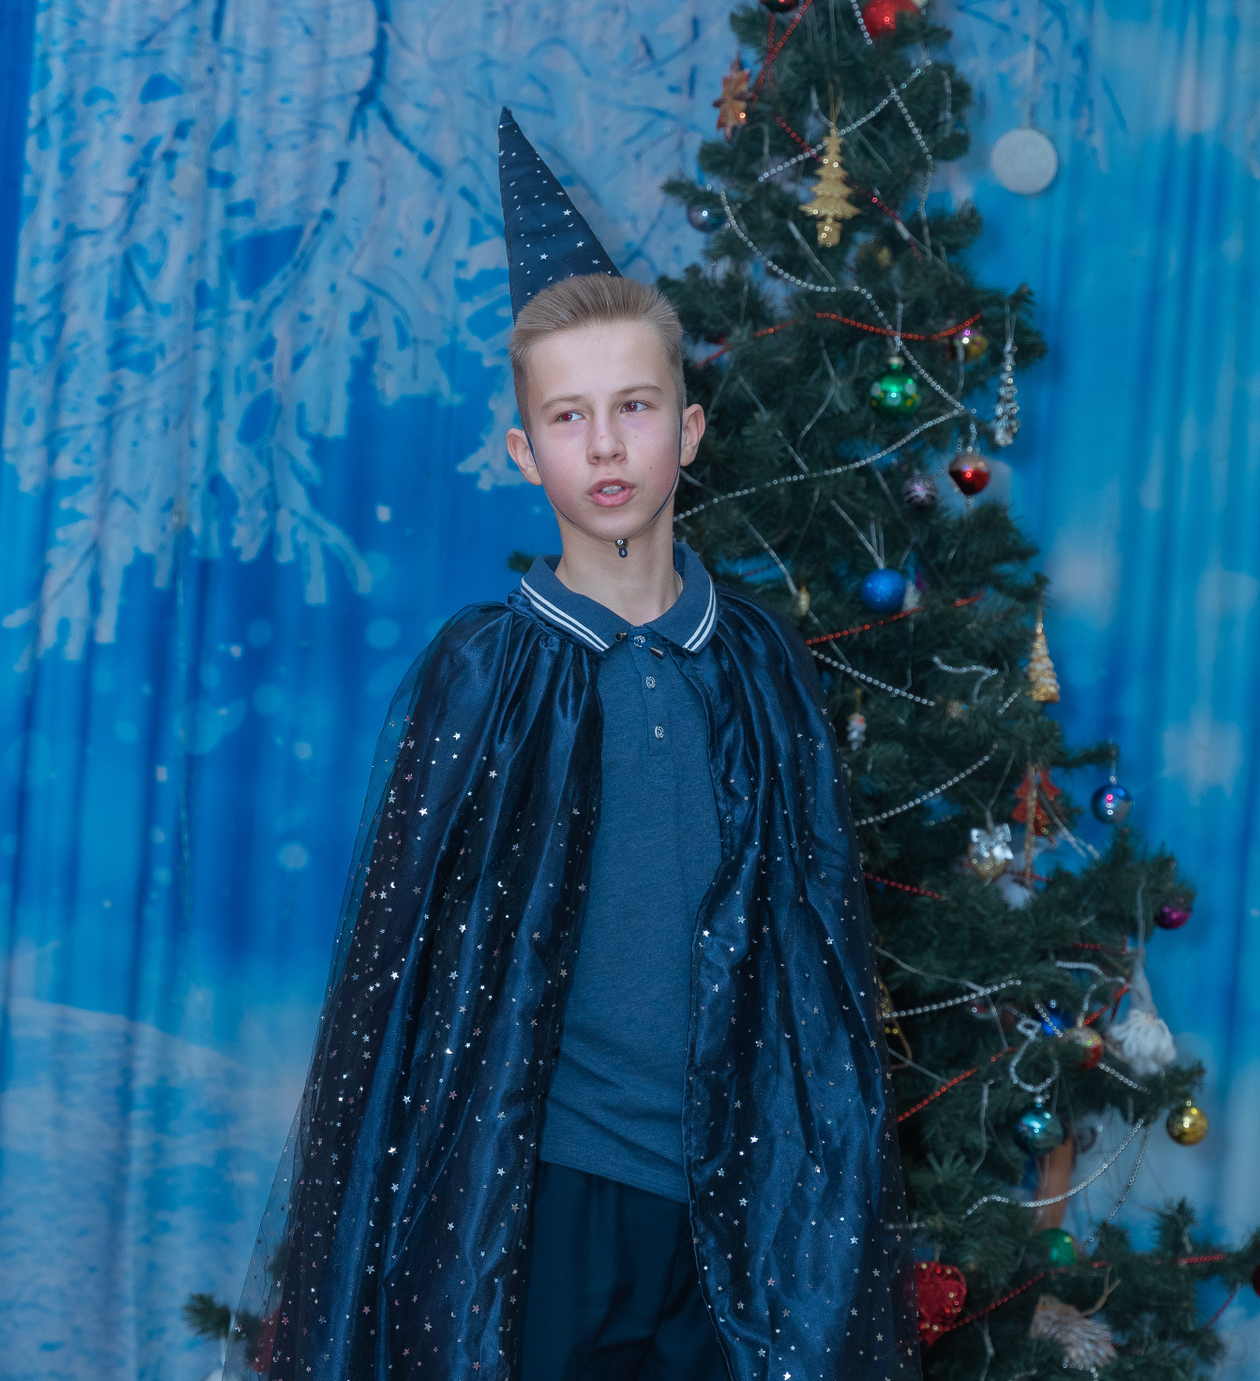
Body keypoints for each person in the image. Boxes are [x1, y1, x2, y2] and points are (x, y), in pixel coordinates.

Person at [234, 108, 920, 1381]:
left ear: (689, 431)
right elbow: (409, 987)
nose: (605, 446)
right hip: (546, 1192)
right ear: (524, 450)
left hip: (738, 1197)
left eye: (635, 407)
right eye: (568, 418)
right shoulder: (485, 674)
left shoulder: (758, 665)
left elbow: (810, 949)